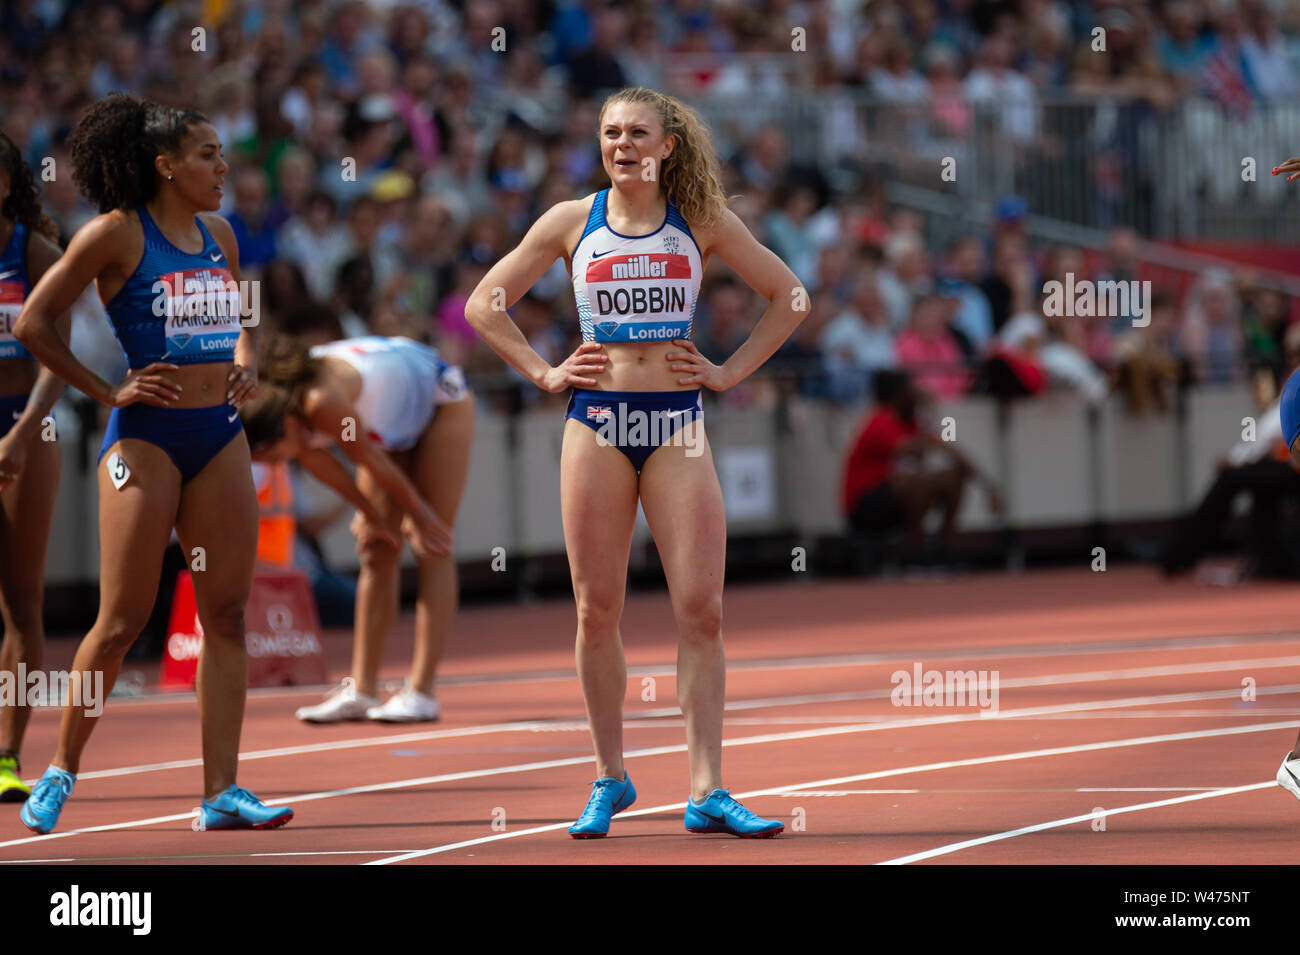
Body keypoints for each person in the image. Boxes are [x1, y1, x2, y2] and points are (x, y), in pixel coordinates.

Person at [466, 86, 805, 839]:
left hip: (679, 425)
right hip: (597, 425)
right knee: (596, 609)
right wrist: (545, 372)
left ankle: (707, 787)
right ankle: (610, 775)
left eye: (637, 133)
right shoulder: (568, 221)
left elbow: (790, 296)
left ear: (667, 146)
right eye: (611, 132)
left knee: (702, 609)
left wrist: (725, 371)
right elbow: (485, 304)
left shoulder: (702, 222)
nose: (622, 144)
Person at [12, 93, 292, 833]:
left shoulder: (220, 233)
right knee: (122, 618)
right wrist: (107, 389)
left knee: (226, 614)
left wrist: (244, 361)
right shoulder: (114, 235)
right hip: (145, 438)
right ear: (166, 166)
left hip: (219, 433)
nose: (224, 167)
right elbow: (37, 323)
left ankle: (221, 789)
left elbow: (244, 308)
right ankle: (61, 768)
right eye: (208, 155)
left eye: (223, 154)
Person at [239, 333, 471, 723]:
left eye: (273, 457)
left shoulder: (321, 404)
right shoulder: (289, 415)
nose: (278, 466)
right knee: (376, 549)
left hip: (440, 402)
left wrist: (419, 515)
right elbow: (344, 473)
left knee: (431, 543)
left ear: (283, 432)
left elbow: (370, 462)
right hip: (388, 427)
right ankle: (363, 689)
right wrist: (373, 517)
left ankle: (422, 691)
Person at [0, 131, 70, 802]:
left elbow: (59, 359)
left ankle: (6, 755)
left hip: (25, 424)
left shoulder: (35, 252)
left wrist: (21, 433)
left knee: (21, 602)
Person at [843, 370, 1001, 563]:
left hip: (894, 496)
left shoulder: (911, 424)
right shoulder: (880, 421)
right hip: (864, 504)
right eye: (910, 390)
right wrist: (928, 416)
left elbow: (950, 451)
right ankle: (915, 553)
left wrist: (987, 486)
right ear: (898, 395)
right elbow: (910, 448)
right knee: (918, 483)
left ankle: (943, 549)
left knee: (952, 478)